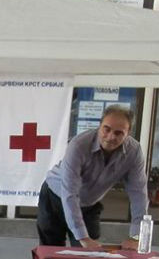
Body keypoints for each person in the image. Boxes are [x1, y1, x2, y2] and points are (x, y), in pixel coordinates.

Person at [36, 106, 148, 251]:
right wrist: (83, 238)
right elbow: (70, 193)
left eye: (119, 133)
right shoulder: (79, 145)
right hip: (55, 196)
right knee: (51, 252)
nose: (111, 137)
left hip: (88, 204)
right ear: (99, 126)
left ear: (128, 133)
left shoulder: (134, 151)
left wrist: (136, 237)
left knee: (90, 255)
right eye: (106, 129)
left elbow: (139, 195)